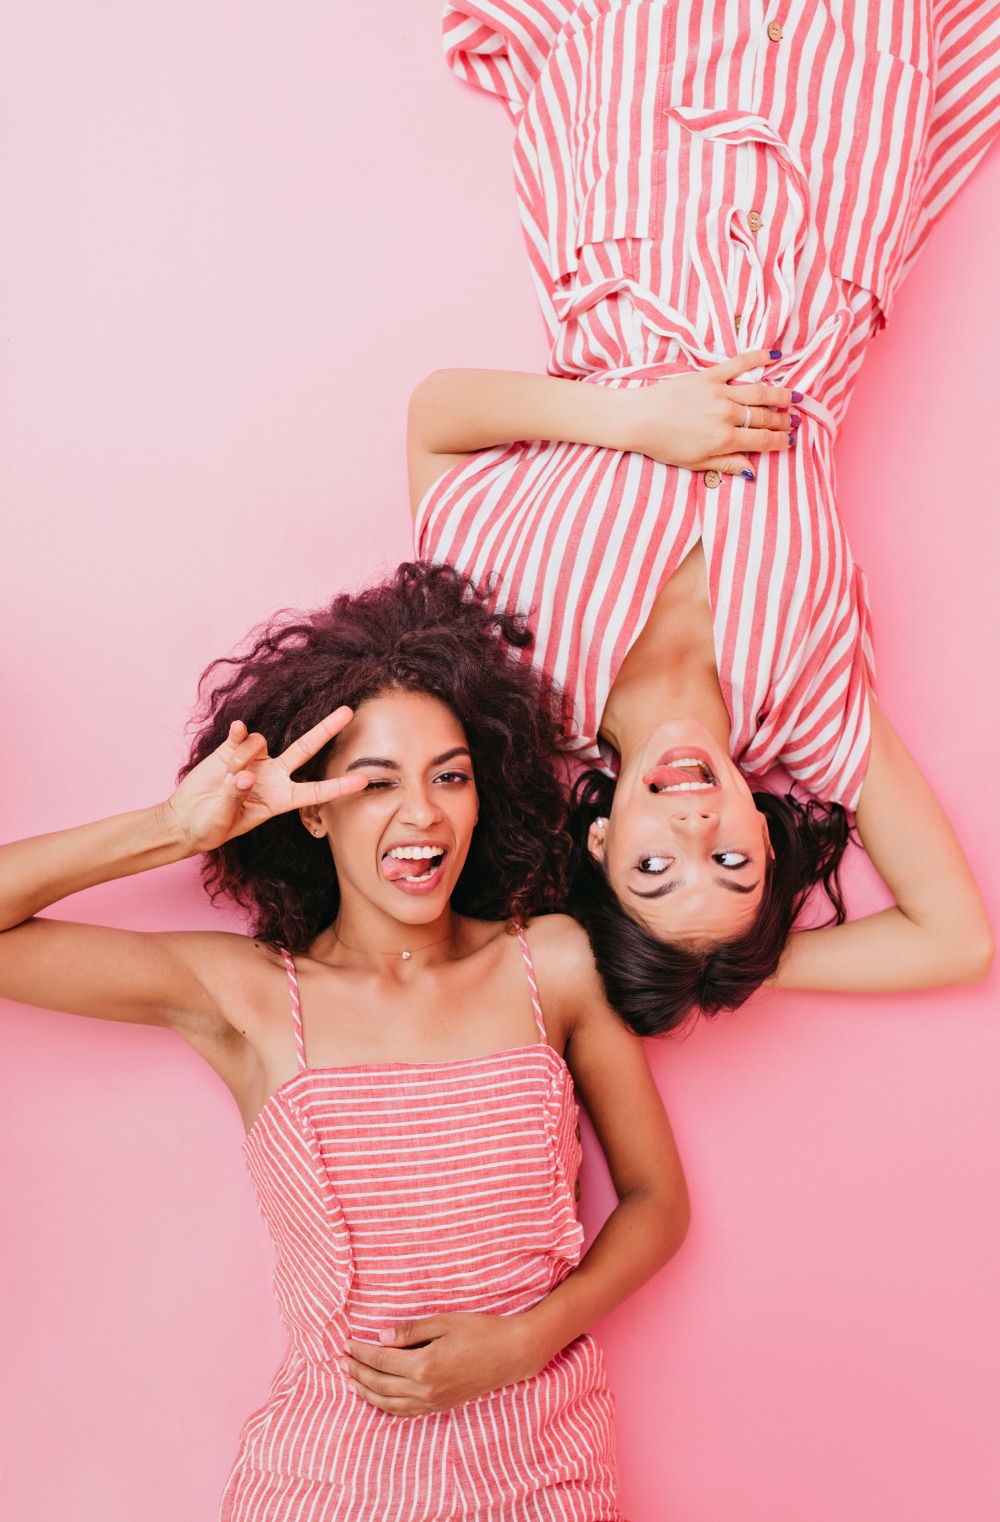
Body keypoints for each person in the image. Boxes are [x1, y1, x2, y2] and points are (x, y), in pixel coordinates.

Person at [0, 563, 688, 1522]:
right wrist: (176, 827)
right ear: (313, 809)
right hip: (327, 1487)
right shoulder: (246, 996)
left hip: (545, 1479)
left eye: (451, 777)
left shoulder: (554, 964)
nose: (423, 815)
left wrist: (530, 1340)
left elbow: (658, 1201)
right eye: (376, 784)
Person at [409, 0, 998, 1032]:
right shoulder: (810, 712)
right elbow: (955, 937)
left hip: (652, 170)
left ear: (598, 845)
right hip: (838, 161)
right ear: (768, 849)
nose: (690, 818)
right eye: (726, 860)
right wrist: (732, 969)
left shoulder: (512, 669)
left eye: (651, 863)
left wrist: (634, 420)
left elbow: (437, 419)